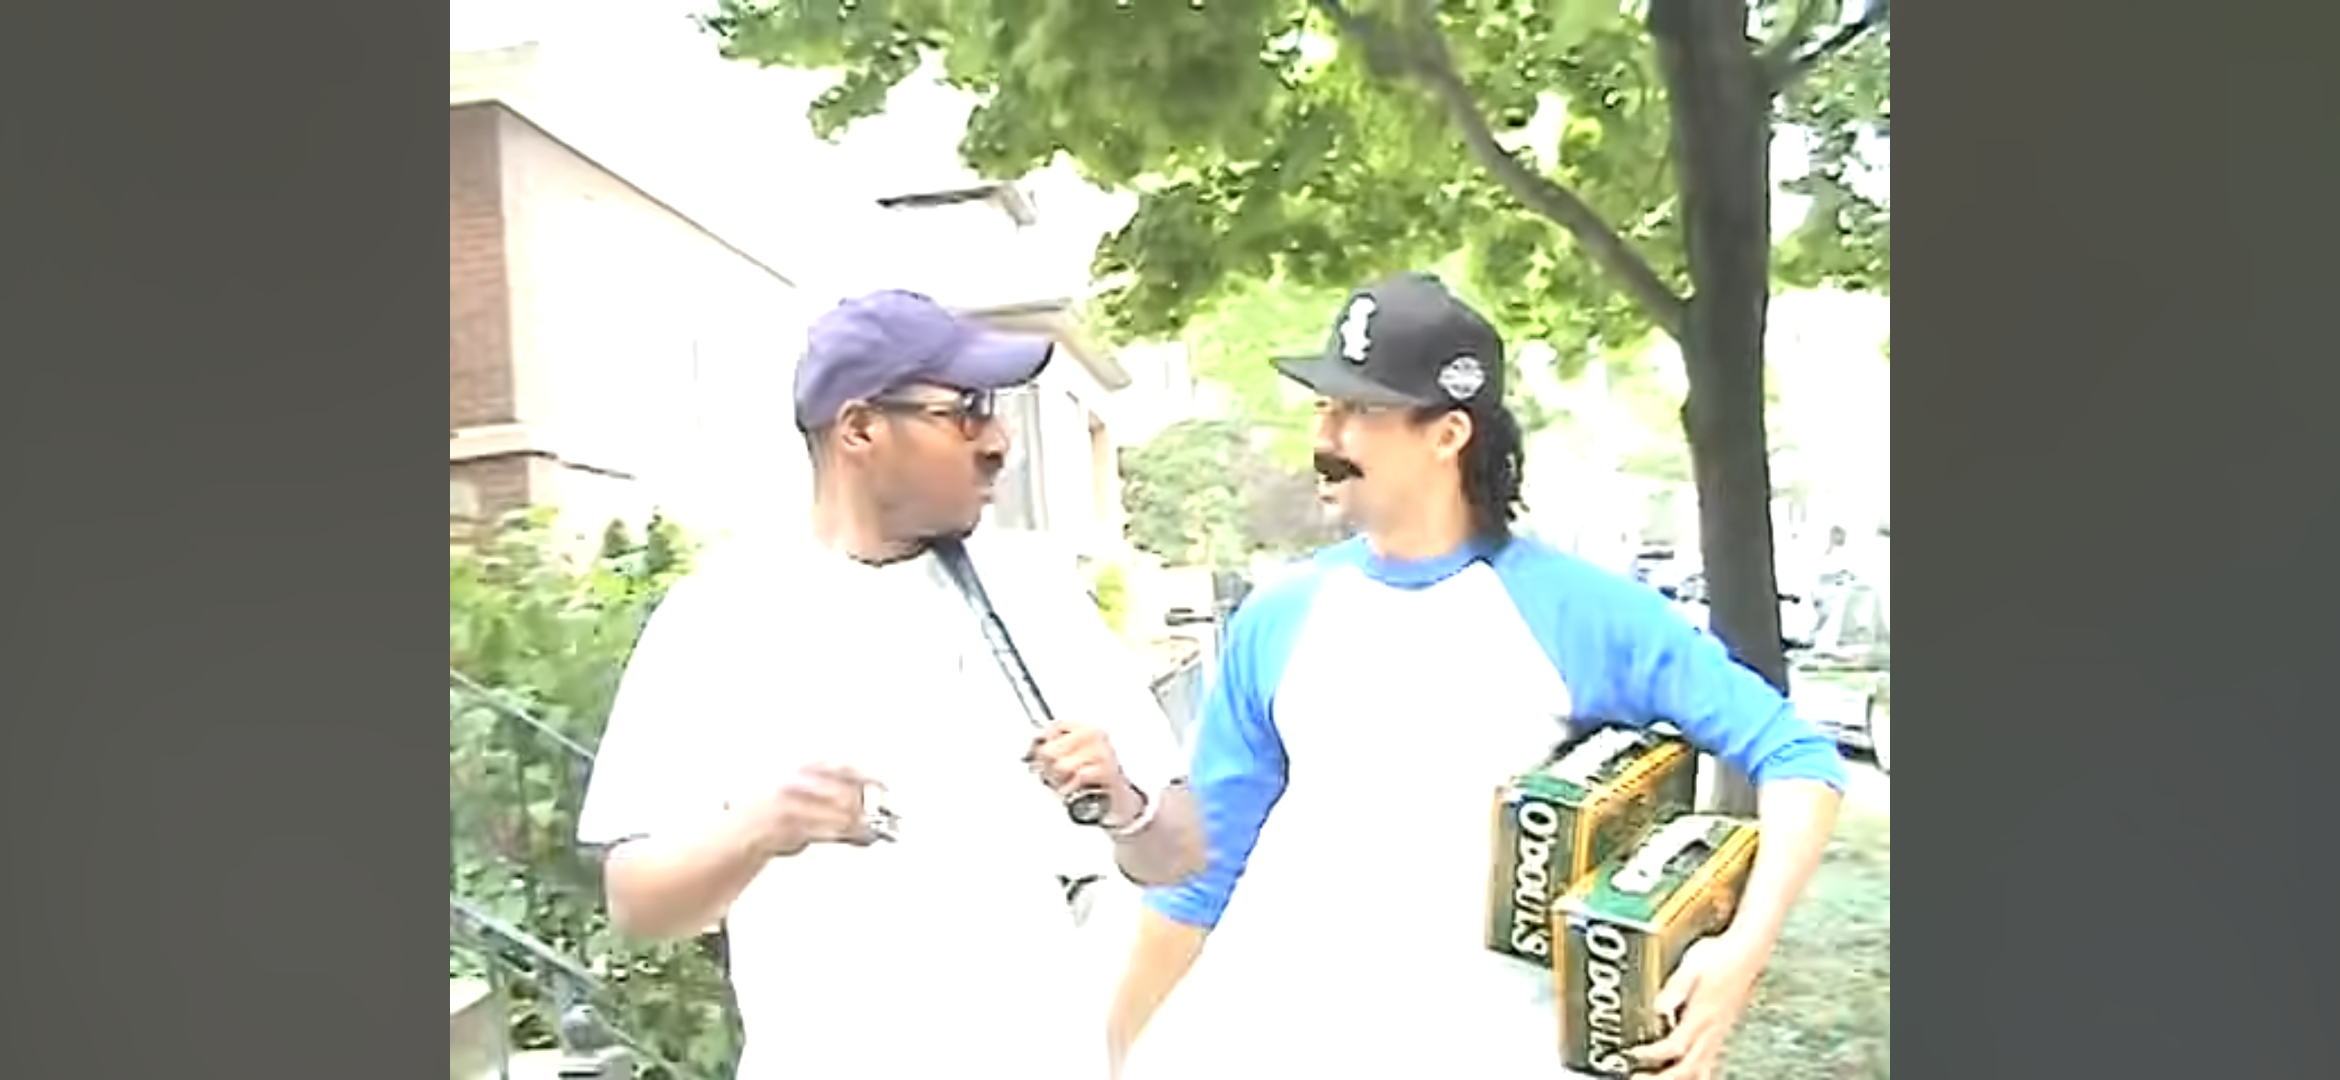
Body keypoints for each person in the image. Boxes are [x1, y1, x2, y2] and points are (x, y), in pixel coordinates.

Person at [1106, 272, 1847, 1080]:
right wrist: (1113, 1048)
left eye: (1358, 411)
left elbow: (1797, 758)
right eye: (1323, 406)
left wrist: (1740, 955)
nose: (1326, 436)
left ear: (1447, 434)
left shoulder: (1581, 613)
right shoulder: (1279, 617)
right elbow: (1199, 874)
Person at [576, 289, 1206, 1080]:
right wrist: (759, 829)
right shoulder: (715, 619)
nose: (997, 442)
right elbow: (637, 903)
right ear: (861, 429)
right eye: (964, 412)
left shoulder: (1036, 596)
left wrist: (1125, 802)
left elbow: (1180, 851)